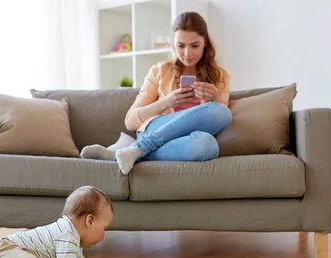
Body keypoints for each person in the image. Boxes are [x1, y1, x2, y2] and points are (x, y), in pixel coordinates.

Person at [81, 11, 232, 175]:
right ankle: (140, 147)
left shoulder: (220, 76)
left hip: (187, 139)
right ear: (173, 44)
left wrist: (215, 99)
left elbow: (219, 123)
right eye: (181, 45)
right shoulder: (159, 71)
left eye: (194, 45)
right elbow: (130, 121)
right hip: (155, 129)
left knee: (209, 143)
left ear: (205, 43)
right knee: (220, 112)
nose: (187, 53)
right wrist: (165, 103)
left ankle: (128, 153)